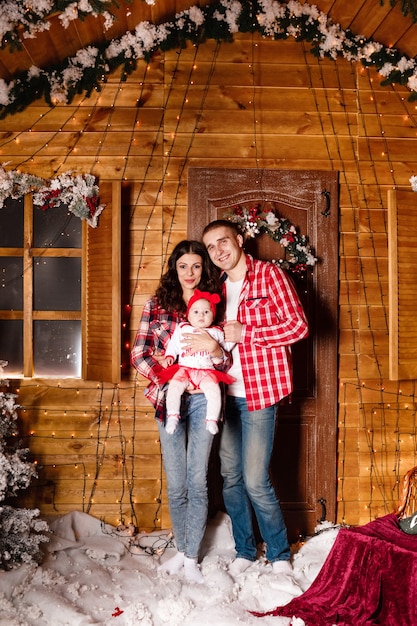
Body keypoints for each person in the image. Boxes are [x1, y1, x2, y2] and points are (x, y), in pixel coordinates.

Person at [202, 219, 309, 578]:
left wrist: (248, 332)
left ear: (239, 239)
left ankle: (279, 554)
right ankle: (245, 550)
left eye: (223, 242)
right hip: (223, 394)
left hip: (261, 392)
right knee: (229, 475)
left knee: (254, 478)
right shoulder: (214, 287)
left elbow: (299, 326)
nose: (218, 251)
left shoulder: (269, 276)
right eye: (211, 247)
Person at [130, 240, 231, 584]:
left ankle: (191, 557)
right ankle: (182, 549)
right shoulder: (157, 305)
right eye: (183, 266)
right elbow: (140, 355)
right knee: (176, 483)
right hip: (168, 398)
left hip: (205, 398)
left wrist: (214, 348)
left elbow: (227, 358)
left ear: (205, 269)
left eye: (197, 266)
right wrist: (171, 375)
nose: (190, 273)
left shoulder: (214, 306)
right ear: (175, 269)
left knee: (197, 478)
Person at [159, 289, 235, 436]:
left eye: (206, 312)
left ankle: (212, 419)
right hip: (185, 369)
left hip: (206, 371)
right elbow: (174, 345)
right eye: (196, 312)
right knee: (174, 387)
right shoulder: (182, 328)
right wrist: (169, 356)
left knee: (214, 390)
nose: (201, 315)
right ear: (188, 315)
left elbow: (226, 349)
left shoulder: (216, 332)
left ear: (213, 316)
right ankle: (173, 416)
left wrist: (218, 354)